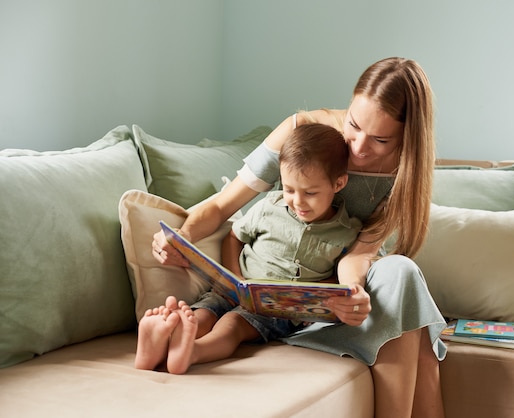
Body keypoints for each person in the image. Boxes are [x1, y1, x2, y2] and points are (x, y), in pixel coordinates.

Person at [149, 57, 447, 418]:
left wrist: (352, 294)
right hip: (274, 297)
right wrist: (181, 237)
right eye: (353, 125)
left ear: (406, 138)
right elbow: (222, 207)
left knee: (401, 272)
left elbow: (359, 254)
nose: (359, 147)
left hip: (332, 302)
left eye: (381, 140)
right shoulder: (302, 134)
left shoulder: (406, 173)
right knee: (421, 344)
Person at [135, 123, 362, 374]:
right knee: (201, 314)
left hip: (276, 309)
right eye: (289, 189)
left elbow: (340, 275)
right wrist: (235, 278)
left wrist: (318, 298)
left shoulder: (346, 231)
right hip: (232, 290)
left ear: (339, 183)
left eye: (310, 193)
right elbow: (233, 237)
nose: (298, 201)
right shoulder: (269, 207)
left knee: (233, 323)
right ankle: (165, 338)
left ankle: (192, 353)